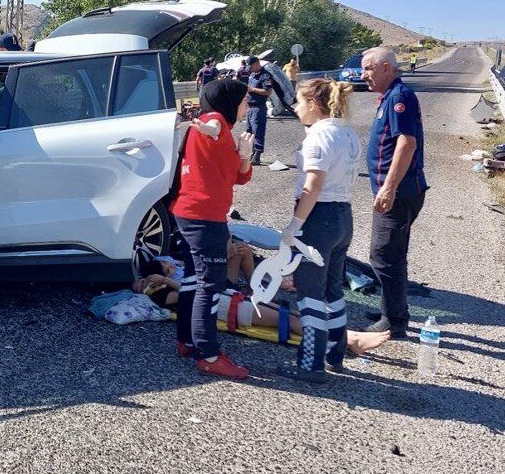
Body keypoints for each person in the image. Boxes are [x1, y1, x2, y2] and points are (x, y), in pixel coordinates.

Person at [276, 79, 366, 382]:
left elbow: (312, 185)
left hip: (319, 218)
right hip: (343, 215)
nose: (296, 108)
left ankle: (309, 364)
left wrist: (295, 225)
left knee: (310, 293)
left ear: (314, 104)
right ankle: (334, 354)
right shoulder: (347, 132)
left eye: (300, 103)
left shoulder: (319, 136)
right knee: (332, 289)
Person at [169, 78, 254, 379]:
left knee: (193, 280)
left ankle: (187, 341)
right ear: (229, 101)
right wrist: (201, 127)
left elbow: (239, 178)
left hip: (192, 213)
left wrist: (244, 157)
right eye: (244, 100)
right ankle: (209, 355)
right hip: (204, 217)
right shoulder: (215, 120)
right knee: (210, 285)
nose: (248, 106)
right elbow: (211, 127)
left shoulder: (226, 129)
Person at [133, 257, 389, 357]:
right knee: (291, 322)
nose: (143, 284)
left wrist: (167, 278)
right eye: (140, 283)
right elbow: (182, 299)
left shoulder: (170, 283)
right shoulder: (160, 294)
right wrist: (163, 282)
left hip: (233, 301)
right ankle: (350, 339)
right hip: (232, 310)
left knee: (294, 315)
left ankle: (349, 337)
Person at [359, 46, 428, 338]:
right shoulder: (390, 96)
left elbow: (406, 143)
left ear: (386, 67)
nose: (364, 76)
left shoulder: (399, 97)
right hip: (398, 191)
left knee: (384, 254)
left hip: (400, 194)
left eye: (369, 69)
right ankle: (392, 308)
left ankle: (394, 321)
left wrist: (388, 187)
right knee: (390, 253)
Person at [244, 56, 273, 165]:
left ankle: (257, 155)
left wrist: (252, 89)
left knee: (258, 131)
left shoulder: (265, 76)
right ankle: (252, 153)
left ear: (257, 63)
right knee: (249, 131)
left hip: (259, 107)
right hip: (250, 107)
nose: (249, 69)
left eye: (251, 66)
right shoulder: (252, 75)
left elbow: (268, 91)